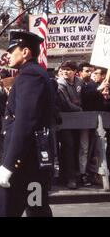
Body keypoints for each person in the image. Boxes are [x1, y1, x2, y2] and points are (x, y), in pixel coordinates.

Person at [0, 31, 54, 217]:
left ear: (26, 52)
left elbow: (25, 122)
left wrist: (10, 164)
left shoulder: (29, 76)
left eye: (12, 50)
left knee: (5, 212)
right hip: (32, 161)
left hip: (24, 163)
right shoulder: (35, 74)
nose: (8, 55)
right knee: (37, 210)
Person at [57, 61, 83, 189]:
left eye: (68, 69)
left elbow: (82, 97)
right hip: (64, 121)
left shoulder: (79, 82)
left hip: (79, 121)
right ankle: (70, 178)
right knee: (68, 148)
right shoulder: (60, 84)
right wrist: (80, 109)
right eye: (64, 69)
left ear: (74, 71)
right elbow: (66, 104)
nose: (66, 72)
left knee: (78, 147)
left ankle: (73, 175)